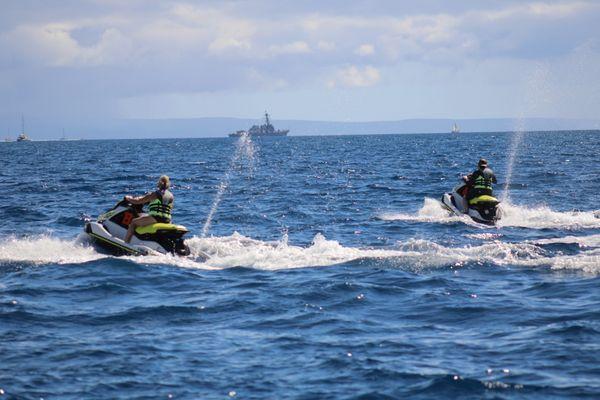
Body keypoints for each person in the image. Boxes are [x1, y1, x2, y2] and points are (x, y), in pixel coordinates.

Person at [124, 175, 174, 243]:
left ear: (159, 183)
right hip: (167, 220)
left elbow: (139, 201)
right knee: (141, 215)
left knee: (133, 222)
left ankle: (126, 243)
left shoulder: (156, 194)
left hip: (156, 218)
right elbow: (169, 207)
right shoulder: (171, 196)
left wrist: (128, 198)